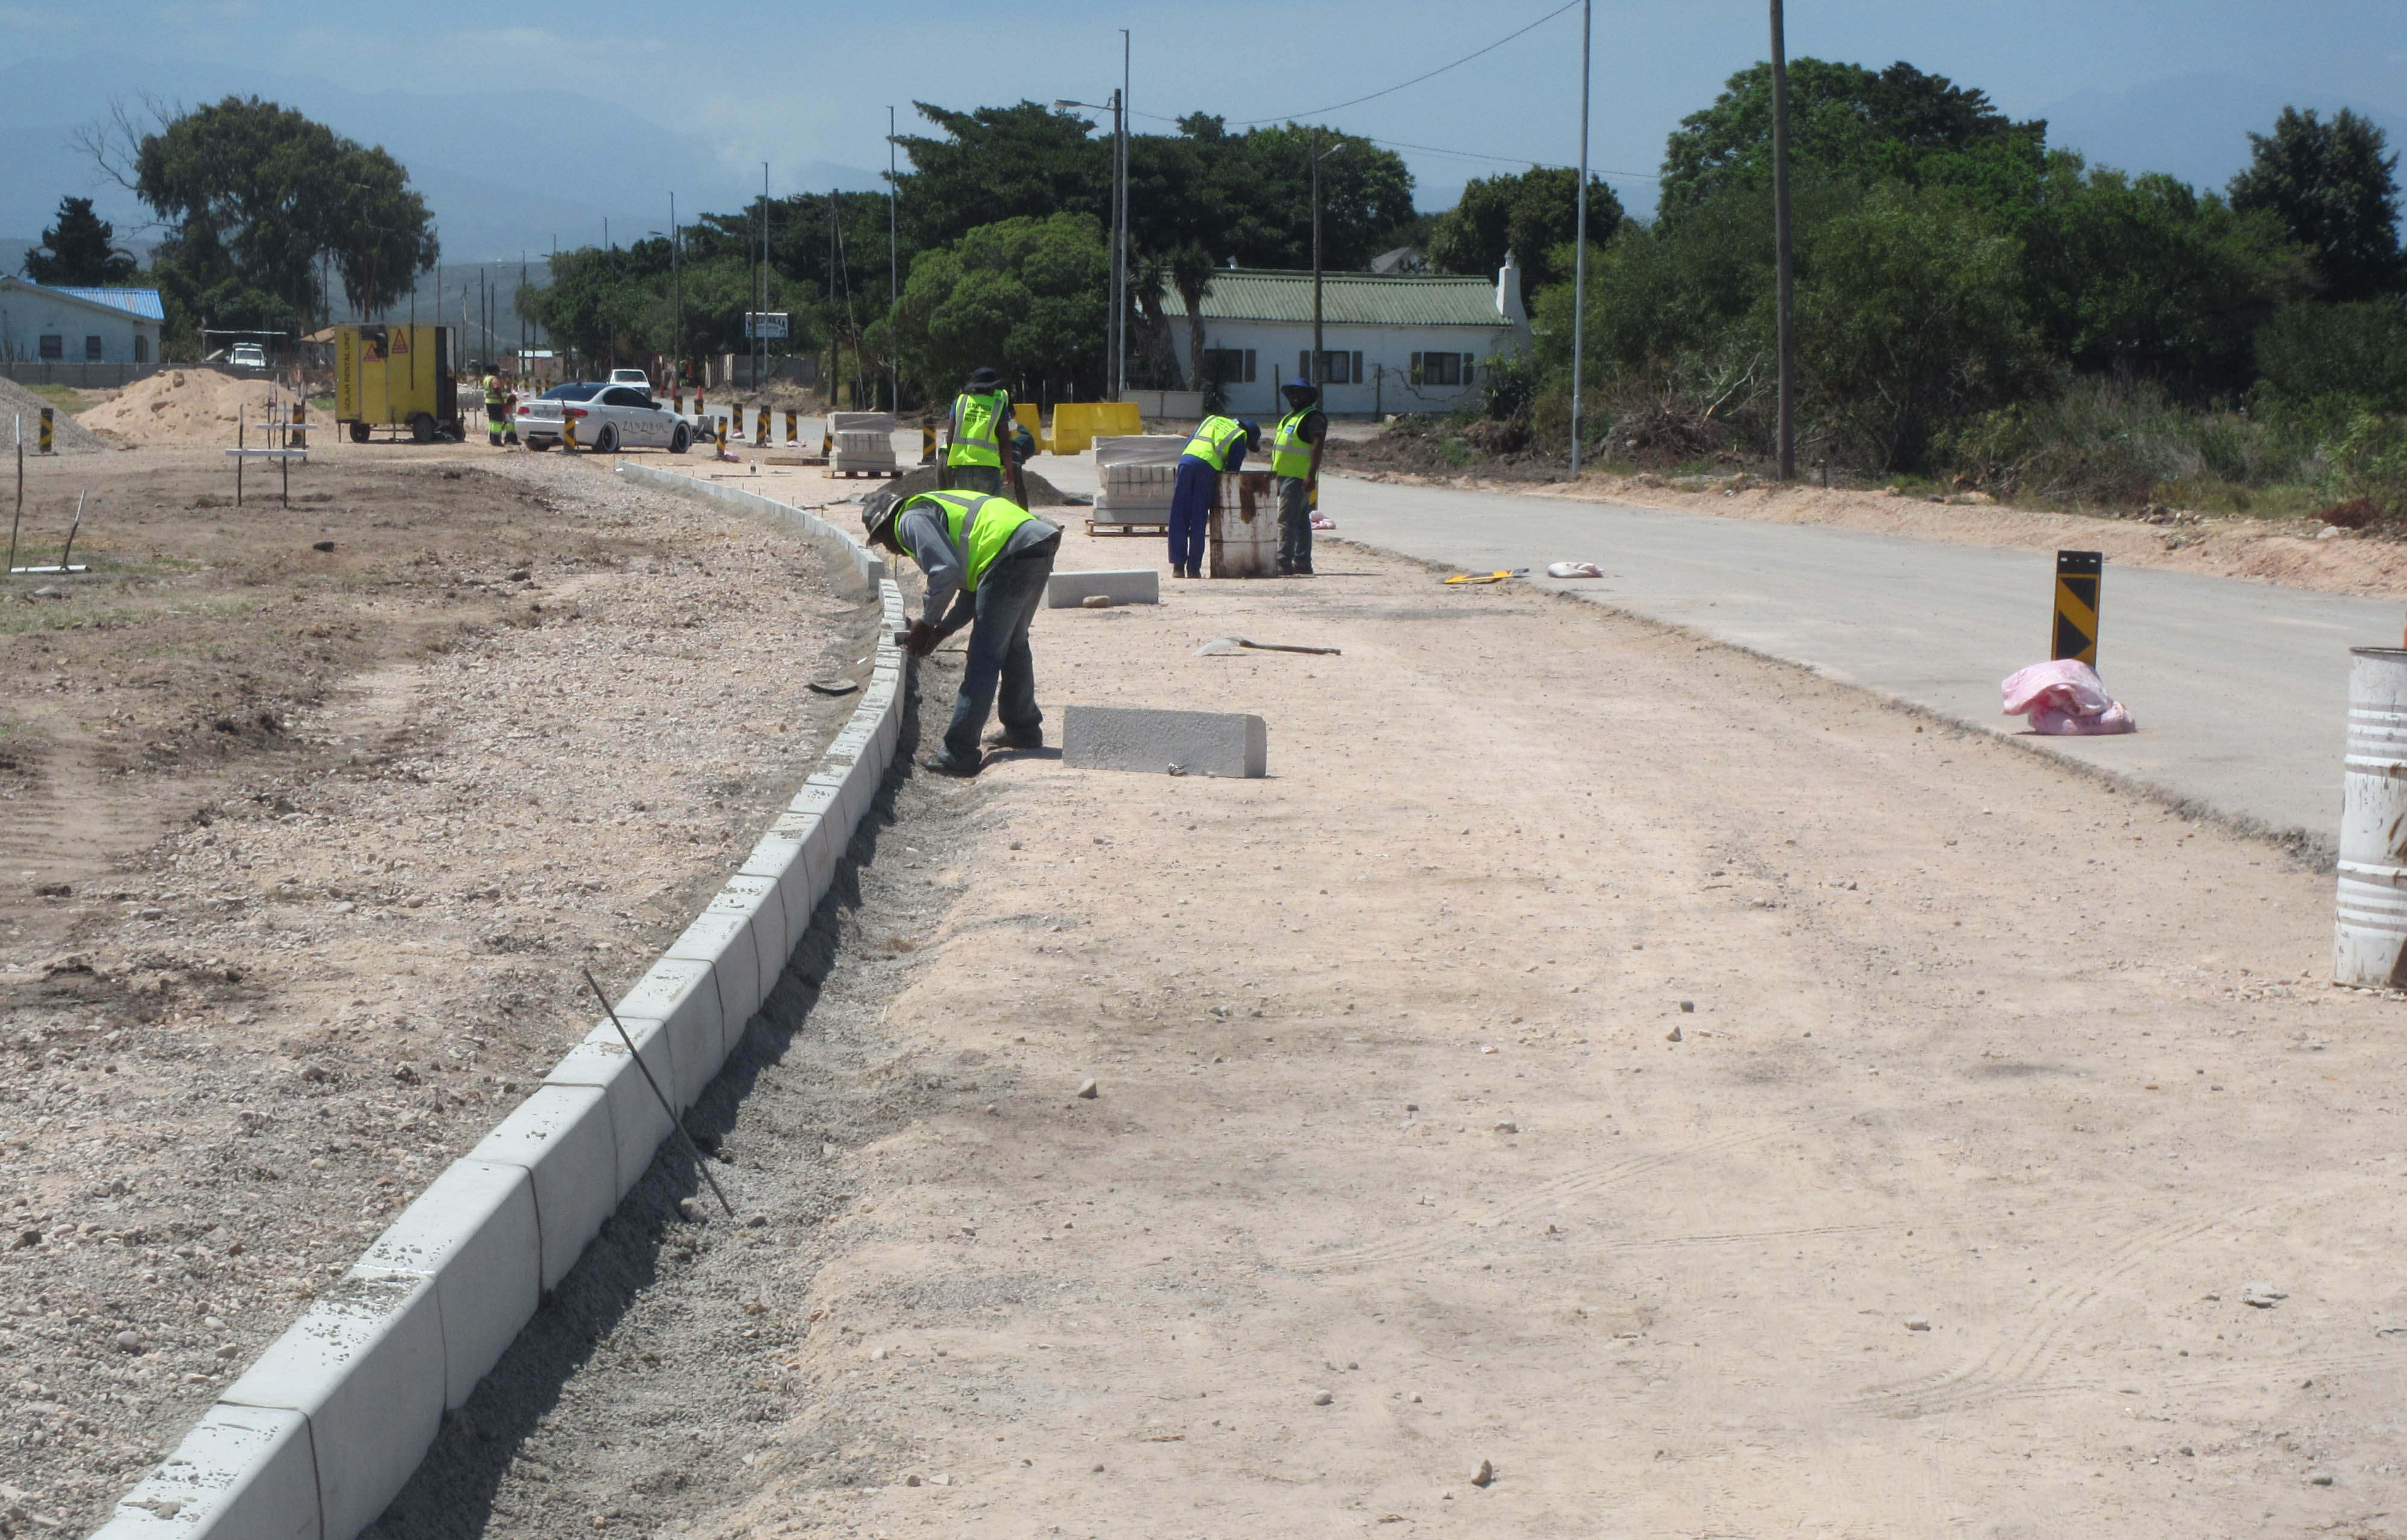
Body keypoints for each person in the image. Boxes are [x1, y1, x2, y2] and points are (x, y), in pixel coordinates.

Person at [864, 487, 1061, 777]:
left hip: (1009, 554)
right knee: (1014, 644)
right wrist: (941, 632)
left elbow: (944, 571)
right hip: (1035, 543)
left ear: (886, 526)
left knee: (985, 656)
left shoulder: (909, 520)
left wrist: (927, 622)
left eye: (883, 541)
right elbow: (973, 593)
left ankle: (959, 753)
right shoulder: (934, 511)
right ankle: (1023, 728)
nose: (890, 550)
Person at [1167, 413, 1259, 579]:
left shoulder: (1211, 419)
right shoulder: (1239, 436)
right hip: (1206, 469)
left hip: (1186, 462)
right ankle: (1194, 569)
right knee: (1198, 518)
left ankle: (1178, 567)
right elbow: (1232, 473)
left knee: (1179, 514)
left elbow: (1190, 442)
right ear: (1249, 437)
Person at [1269, 377, 1328, 576]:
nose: (1295, 396)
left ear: (1309, 396)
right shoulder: (1290, 418)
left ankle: (1283, 561)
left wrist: (1310, 475)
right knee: (1301, 520)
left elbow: (1318, 445)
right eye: (1292, 392)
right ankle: (1302, 561)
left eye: (1300, 392)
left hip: (1299, 477)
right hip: (1285, 476)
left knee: (1286, 520)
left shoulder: (1313, 417)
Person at [942, 366, 1015, 496]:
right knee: (986, 512)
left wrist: (951, 463)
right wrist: (1009, 470)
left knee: (966, 511)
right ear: (992, 387)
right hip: (989, 468)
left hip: (963, 467)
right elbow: (1005, 443)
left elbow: (950, 437)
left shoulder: (960, 402)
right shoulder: (998, 406)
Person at [482, 367, 507, 447]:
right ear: (494, 371)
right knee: (497, 421)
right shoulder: (494, 379)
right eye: (497, 371)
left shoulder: (487, 378)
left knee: (492, 421)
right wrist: (502, 401)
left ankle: (492, 438)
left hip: (489, 402)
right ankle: (496, 440)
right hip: (496, 402)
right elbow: (496, 389)